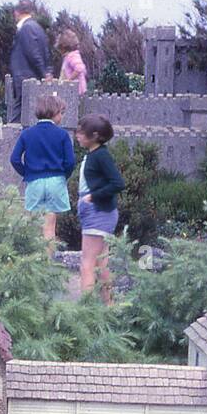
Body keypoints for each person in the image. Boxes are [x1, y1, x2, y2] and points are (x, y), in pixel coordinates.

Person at [10, 94, 75, 252]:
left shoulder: (27, 134)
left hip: (35, 182)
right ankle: (49, 262)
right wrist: (62, 176)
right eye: (61, 112)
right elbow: (70, 162)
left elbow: (15, 159)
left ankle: (35, 261)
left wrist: (27, 173)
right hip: (56, 181)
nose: (62, 116)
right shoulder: (62, 135)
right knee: (50, 227)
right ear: (54, 113)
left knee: (35, 225)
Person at [75, 114, 125, 305]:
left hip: (99, 213)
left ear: (94, 135)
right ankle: (109, 307)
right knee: (101, 263)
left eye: (81, 132)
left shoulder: (101, 156)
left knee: (87, 264)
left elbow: (118, 183)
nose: (77, 135)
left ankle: (85, 312)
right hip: (97, 213)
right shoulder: (95, 154)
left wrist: (93, 196)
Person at [8, 0, 50, 123]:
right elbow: (45, 53)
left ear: (17, 12)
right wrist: (46, 71)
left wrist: (43, 73)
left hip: (25, 80)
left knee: (18, 120)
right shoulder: (37, 27)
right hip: (28, 80)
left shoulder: (27, 28)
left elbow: (33, 54)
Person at [58, 29, 88, 96]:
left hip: (76, 91)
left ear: (63, 47)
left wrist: (69, 80)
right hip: (71, 91)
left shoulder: (72, 56)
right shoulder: (68, 57)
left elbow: (80, 68)